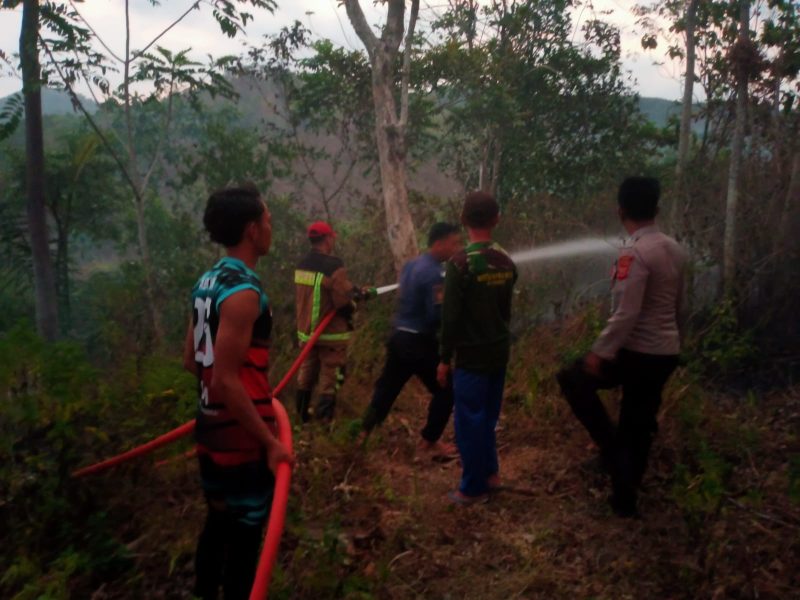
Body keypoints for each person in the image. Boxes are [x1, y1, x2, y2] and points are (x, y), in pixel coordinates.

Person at [182, 185, 294, 600]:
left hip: (209, 430)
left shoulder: (207, 281)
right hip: (244, 441)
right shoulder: (245, 292)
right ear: (251, 230)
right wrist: (270, 443)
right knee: (246, 539)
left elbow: (192, 361)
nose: (270, 226)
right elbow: (228, 379)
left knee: (217, 524)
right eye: (267, 219)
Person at [556, 176, 687, 518]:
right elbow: (678, 305)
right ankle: (624, 496)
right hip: (665, 352)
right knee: (638, 421)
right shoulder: (674, 248)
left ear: (620, 210)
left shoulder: (634, 253)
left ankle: (613, 455)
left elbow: (627, 312)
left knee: (573, 379)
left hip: (639, 352)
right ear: (656, 209)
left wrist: (600, 351)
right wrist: (678, 342)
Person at [438, 192, 518, 504]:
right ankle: (491, 474)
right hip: (499, 352)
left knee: (469, 420)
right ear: (496, 219)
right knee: (487, 416)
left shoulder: (460, 265)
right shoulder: (506, 261)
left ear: (463, 220)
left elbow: (450, 319)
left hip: (471, 357)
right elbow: (506, 309)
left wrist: (444, 359)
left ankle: (471, 487)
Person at [360, 222, 463, 457]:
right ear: (439, 243)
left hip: (398, 338)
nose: (457, 248)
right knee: (446, 389)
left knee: (387, 388)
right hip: (418, 343)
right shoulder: (433, 273)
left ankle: (362, 434)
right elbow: (435, 314)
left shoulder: (411, 265)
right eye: (454, 243)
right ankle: (428, 442)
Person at [294, 221, 367, 422]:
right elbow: (342, 302)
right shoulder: (334, 265)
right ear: (327, 239)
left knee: (306, 373)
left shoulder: (301, 264)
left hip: (307, 332)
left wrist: (353, 289)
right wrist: (355, 302)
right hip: (330, 333)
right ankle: (324, 422)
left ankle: (301, 418)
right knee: (330, 376)